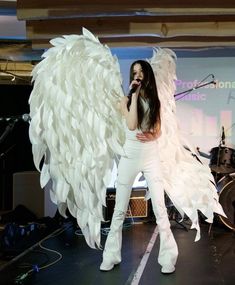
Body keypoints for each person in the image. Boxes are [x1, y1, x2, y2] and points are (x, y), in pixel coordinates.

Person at [100, 60, 178, 274]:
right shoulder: (125, 100)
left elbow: (158, 129)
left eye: (141, 71)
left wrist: (154, 134)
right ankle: (110, 256)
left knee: (160, 209)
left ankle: (168, 258)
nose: (138, 75)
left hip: (151, 155)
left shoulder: (154, 100)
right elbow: (132, 125)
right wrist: (133, 96)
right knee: (119, 211)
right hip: (130, 154)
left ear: (147, 74)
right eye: (135, 72)